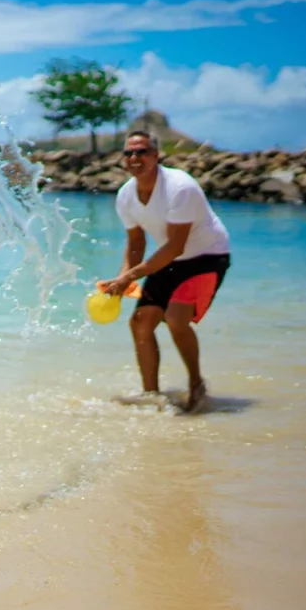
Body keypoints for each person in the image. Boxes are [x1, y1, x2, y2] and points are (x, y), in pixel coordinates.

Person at [99, 131, 231, 413]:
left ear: (156, 155)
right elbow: (136, 243)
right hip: (171, 259)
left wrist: (130, 277)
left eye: (142, 152)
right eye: (129, 153)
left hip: (207, 256)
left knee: (175, 318)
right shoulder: (125, 195)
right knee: (140, 323)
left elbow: (174, 245)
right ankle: (150, 394)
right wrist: (122, 278)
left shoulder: (180, 187)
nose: (135, 158)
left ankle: (197, 385)